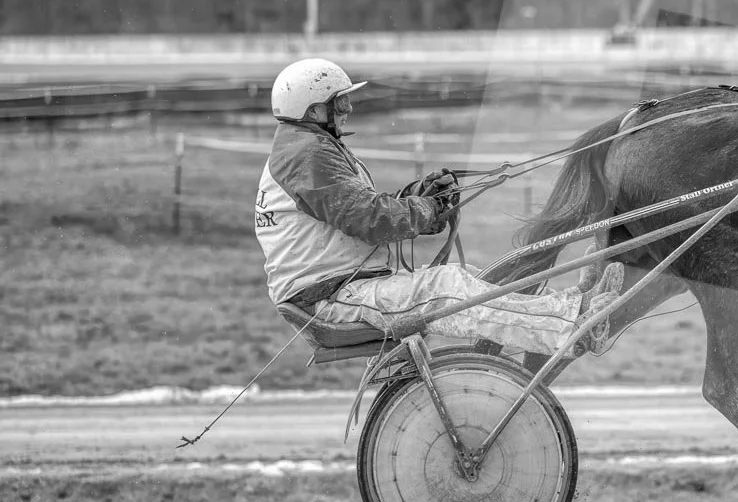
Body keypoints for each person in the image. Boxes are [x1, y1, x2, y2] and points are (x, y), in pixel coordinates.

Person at [254, 58, 623, 357]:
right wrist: (427, 209)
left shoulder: (306, 147)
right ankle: (574, 326)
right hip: (330, 299)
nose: (348, 109)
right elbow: (369, 220)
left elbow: (357, 211)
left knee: (472, 279)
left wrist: (417, 198)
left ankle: (572, 307)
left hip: (337, 288)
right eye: (340, 102)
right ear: (314, 110)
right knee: (448, 287)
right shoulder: (307, 155)